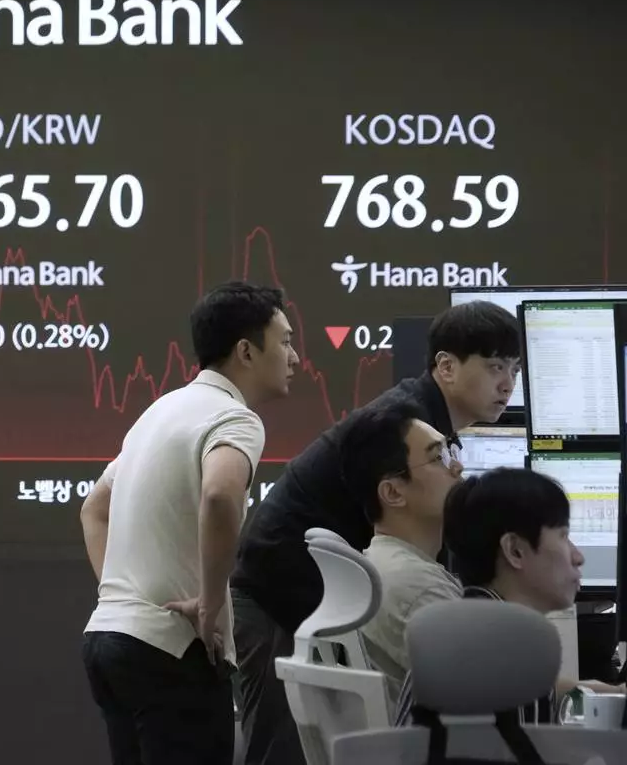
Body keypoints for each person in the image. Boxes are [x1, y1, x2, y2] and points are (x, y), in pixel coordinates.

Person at [231, 300, 519, 765]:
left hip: (301, 591)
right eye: (493, 366)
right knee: (282, 750)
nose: (507, 382)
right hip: (275, 593)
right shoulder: (402, 423)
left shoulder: (419, 419)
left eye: (513, 368)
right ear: (445, 366)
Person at [80, 282, 299, 765]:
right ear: (246, 350)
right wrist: (211, 600)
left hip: (109, 642)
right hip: (171, 652)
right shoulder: (234, 418)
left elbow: (93, 508)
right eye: (284, 341)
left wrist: (119, 594)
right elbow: (220, 494)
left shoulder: (159, 410)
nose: (295, 356)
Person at [395, 467, 625, 725]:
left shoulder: (475, 629)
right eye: (563, 536)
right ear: (515, 550)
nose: (578, 557)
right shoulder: (506, 649)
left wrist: (614, 692)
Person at [335, 399, 464, 709]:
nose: (457, 466)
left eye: (451, 452)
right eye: (438, 458)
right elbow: (497, 693)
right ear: (393, 493)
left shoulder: (381, 565)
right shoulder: (419, 588)